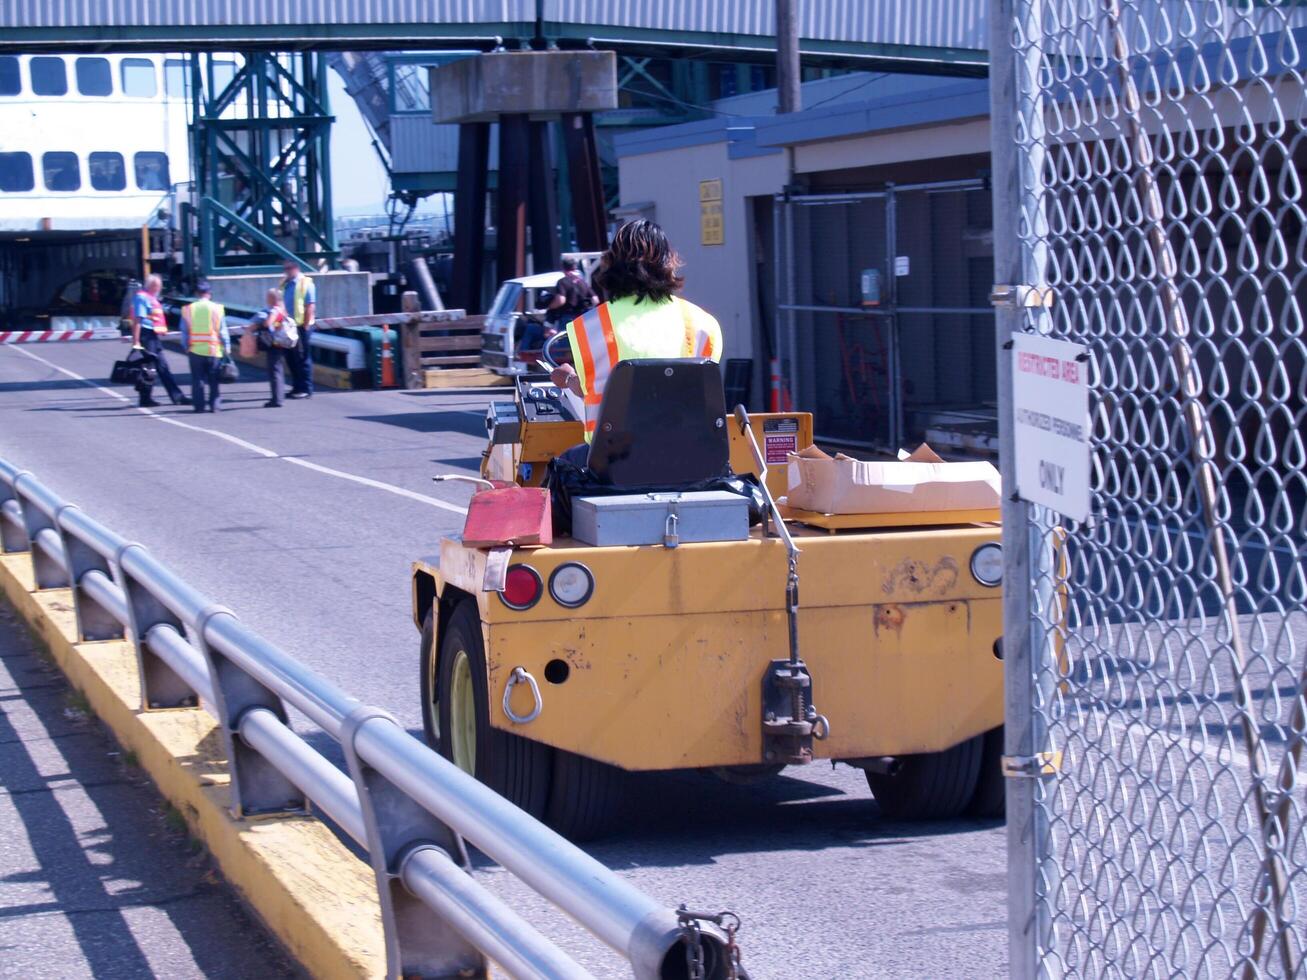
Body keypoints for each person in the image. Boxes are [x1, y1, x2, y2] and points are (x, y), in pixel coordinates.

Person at [550, 219, 722, 442]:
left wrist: (568, 378)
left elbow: (590, 391)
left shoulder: (589, 327)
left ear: (611, 264)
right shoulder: (704, 325)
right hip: (689, 459)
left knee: (559, 467)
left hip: (615, 467)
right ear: (669, 262)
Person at [131, 273, 189, 408]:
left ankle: (176, 397)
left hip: (152, 336)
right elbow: (137, 320)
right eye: (158, 287)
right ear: (152, 286)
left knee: (161, 367)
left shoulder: (150, 298)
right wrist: (136, 341)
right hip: (146, 336)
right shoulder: (142, 297)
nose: (159, 289)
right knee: (150, 368)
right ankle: (147, 398)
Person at [521, 257, 597, 353]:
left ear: (563, 268)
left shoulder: (563, 282)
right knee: (577, 346)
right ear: (575, 267)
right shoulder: (583, 283)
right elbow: (595, 299)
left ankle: (523, 355)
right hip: (582, 319)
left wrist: (550, 306)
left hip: (568, 318)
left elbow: (560, 300)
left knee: (563, 348)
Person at [179, 281, 229, 413]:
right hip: (213, 350)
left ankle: (199, 406)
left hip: (195, 350)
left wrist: (185, 347)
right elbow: (222, 331)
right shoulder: (217, 309)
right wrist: (227, 347)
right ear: (209, 293)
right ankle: (214, 406)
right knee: (214, 380)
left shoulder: (188, 309)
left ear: (196, 293)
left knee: (197, 379)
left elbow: (184, 332)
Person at [254, 287, 298, 408]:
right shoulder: (283, 309)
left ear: (272, 298)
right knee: (278, 370)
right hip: (281, 343)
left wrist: (263, 322)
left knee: (275, 371)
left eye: (268, 297)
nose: (266, 299)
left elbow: (268, 324)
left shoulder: (274, 310)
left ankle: (277, 399)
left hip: (275, 344)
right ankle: (278, 397)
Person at [280, 259, 316, 399]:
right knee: (290, 358)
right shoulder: (285, 283)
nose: (286, 271)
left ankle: (306, 388)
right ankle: (296, 386)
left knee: (302, 358)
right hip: (288, 326)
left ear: (296, 268)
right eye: (285, 269)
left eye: (289, 268)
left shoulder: (305, 283)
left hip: (301, 326)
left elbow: (310, 306)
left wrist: (306, 326)